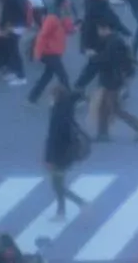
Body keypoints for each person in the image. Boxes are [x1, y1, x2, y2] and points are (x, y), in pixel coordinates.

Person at [43, 83, 87, 220]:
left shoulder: (57, 114)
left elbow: (53, 139)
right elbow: (75, 95)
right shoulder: (67, 106)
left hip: (58, 156)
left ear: (56, 96)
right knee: (58, 184)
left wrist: (49, 159)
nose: (49, 97)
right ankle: (65, 210)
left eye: (51, 95)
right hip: (67, 154)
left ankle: (74, 205)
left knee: (57, 185)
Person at [28, 0, 74, 104]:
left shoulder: (62, 14)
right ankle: (70, 100)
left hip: (55, 51)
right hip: (49, 52)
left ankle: (33, 96)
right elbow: (42, 36)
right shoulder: (52, 18)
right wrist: (37, 54)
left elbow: (68, 29)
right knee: (63, 76)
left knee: (47, 75)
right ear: (63, 3)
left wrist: (70, 20)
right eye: (68, 1)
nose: (70, 3)